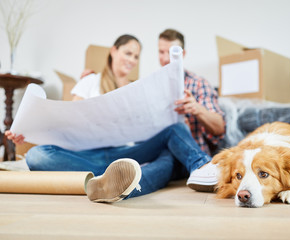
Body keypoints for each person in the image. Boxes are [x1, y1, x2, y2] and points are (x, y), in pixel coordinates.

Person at [5, 34, 213, 202]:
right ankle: (111, 180)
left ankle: (196, 167)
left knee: (171, 143)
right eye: (128, 53)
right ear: (114, 51)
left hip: (129, 152)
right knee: (36, 155)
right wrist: (29, 133)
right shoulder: (89, 82)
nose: (131, 60)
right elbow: (68, 122)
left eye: (136, 56)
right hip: (88, 155)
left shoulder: (138, 88)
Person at [157, 29, 226, 190]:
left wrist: (197, 109)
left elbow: (219, 127)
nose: (165, 58)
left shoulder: (198, 83)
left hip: (189, 154)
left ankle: (202, 166)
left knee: (163, 163)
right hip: (163, 152)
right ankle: (123, 184)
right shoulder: (153, 85)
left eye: (170, 52)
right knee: (161, 163)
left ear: (183, 54)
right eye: (161, 52)